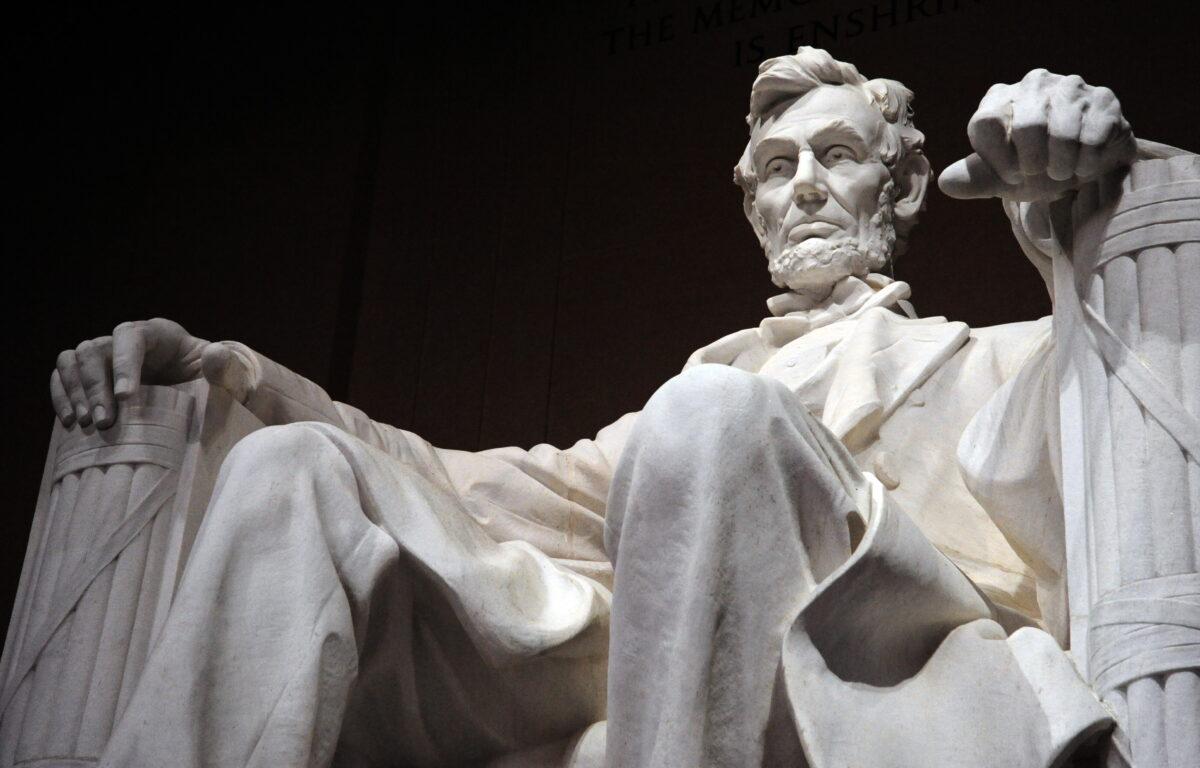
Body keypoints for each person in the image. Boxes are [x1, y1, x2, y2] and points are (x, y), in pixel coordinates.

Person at [36, 47, 1165, 766]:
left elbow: (1139, 373)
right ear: (753, 207)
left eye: (836, 154)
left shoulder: (1002, 356)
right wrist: (235, 376)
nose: (806, 185)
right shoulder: (689, 397)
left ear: (906, 186)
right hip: (648, 620)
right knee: (290, 475)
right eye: (777, 168)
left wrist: (1089, 193)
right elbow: (465, 482)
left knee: (713, 418)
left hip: (872, 658)